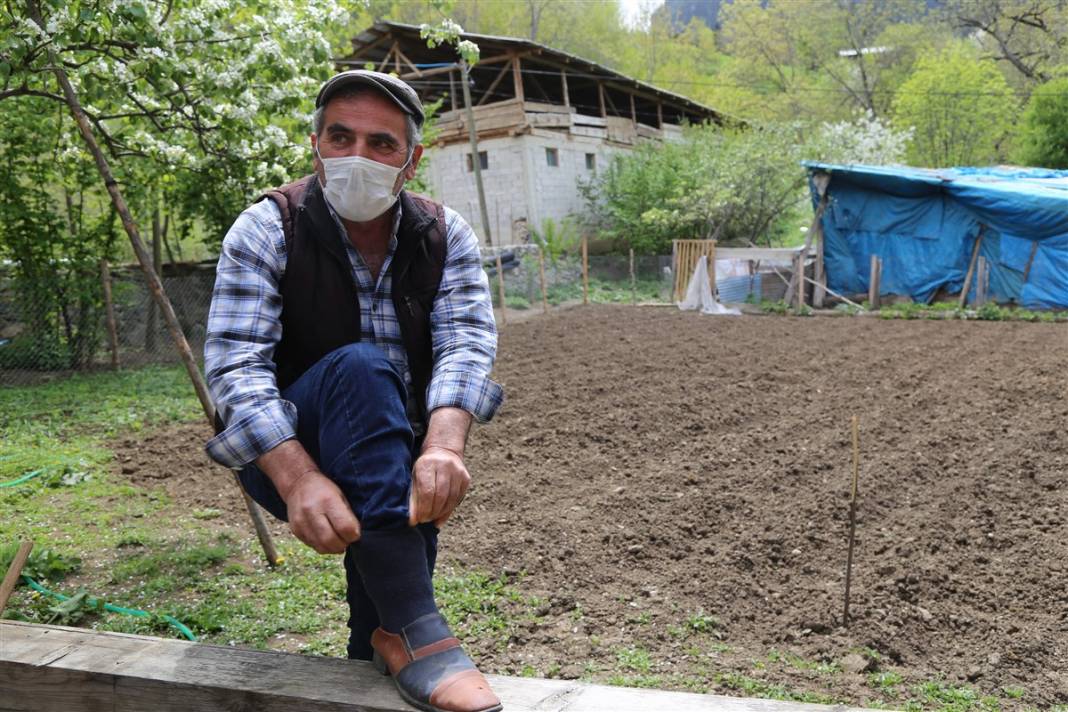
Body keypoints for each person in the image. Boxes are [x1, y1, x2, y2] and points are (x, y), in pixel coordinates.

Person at [203, 70, 503, 712]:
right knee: (365, 368)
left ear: (412, 161)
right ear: (315, 144)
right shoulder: (266, 228)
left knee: (390, 577)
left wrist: (445, 448)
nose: (357, 158)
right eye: (341, 137)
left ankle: (393, 639)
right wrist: (296, 478)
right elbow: (236, 368)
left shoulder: (444, 235)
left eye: (381, 144)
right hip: (290, 451)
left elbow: (466, 344)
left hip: (398, 455)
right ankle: (415, 633)